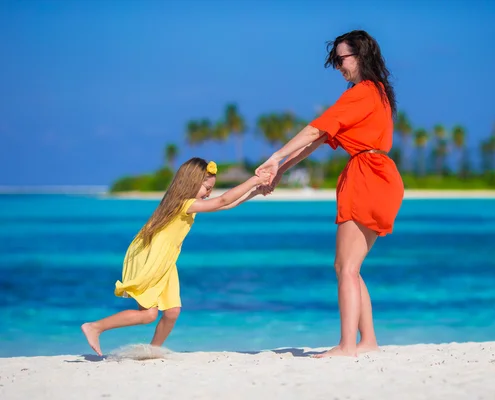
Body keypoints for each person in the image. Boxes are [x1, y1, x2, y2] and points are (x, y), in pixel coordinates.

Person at [256, 30, 404, 358]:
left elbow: (315, 129)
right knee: (352, 266)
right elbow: (321, 140)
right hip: (381, 175)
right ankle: (367, 342)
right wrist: (282, 168)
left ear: (360, 56)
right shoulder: (377, 92)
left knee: (345, 267)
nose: (338, 66)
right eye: (335, 60)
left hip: (367, 176)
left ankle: (347, 346)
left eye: (341, 59)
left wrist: (275, 157)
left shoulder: (363, 92)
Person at [82, 157, 271, 356]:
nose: (209, 193)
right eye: (207, 187)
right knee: (148, 315)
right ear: (191, 183)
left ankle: (152, 351)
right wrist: (254, 181)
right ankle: (95, 327)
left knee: (171, 311)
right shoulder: (183, 203)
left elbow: (224, 205)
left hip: (166, 260)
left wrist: (255, 193)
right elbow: (222, 200)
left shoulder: (189, 204)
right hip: (151, 257)